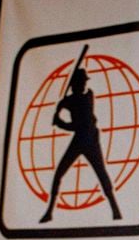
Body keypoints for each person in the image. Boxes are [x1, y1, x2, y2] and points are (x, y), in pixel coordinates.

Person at [39, 64, 121, 223]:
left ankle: (115, 209)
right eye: (80, 82)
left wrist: (60, 122)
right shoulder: (69, 101)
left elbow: (77, 126)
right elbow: (68, 117)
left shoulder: (87, 97)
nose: (83, 84)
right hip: (79, 139)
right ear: (74, 84)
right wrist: (59, 112)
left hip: (89, 139)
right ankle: (49, 212)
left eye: (83, 82)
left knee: (101, 172)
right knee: (59, 173)